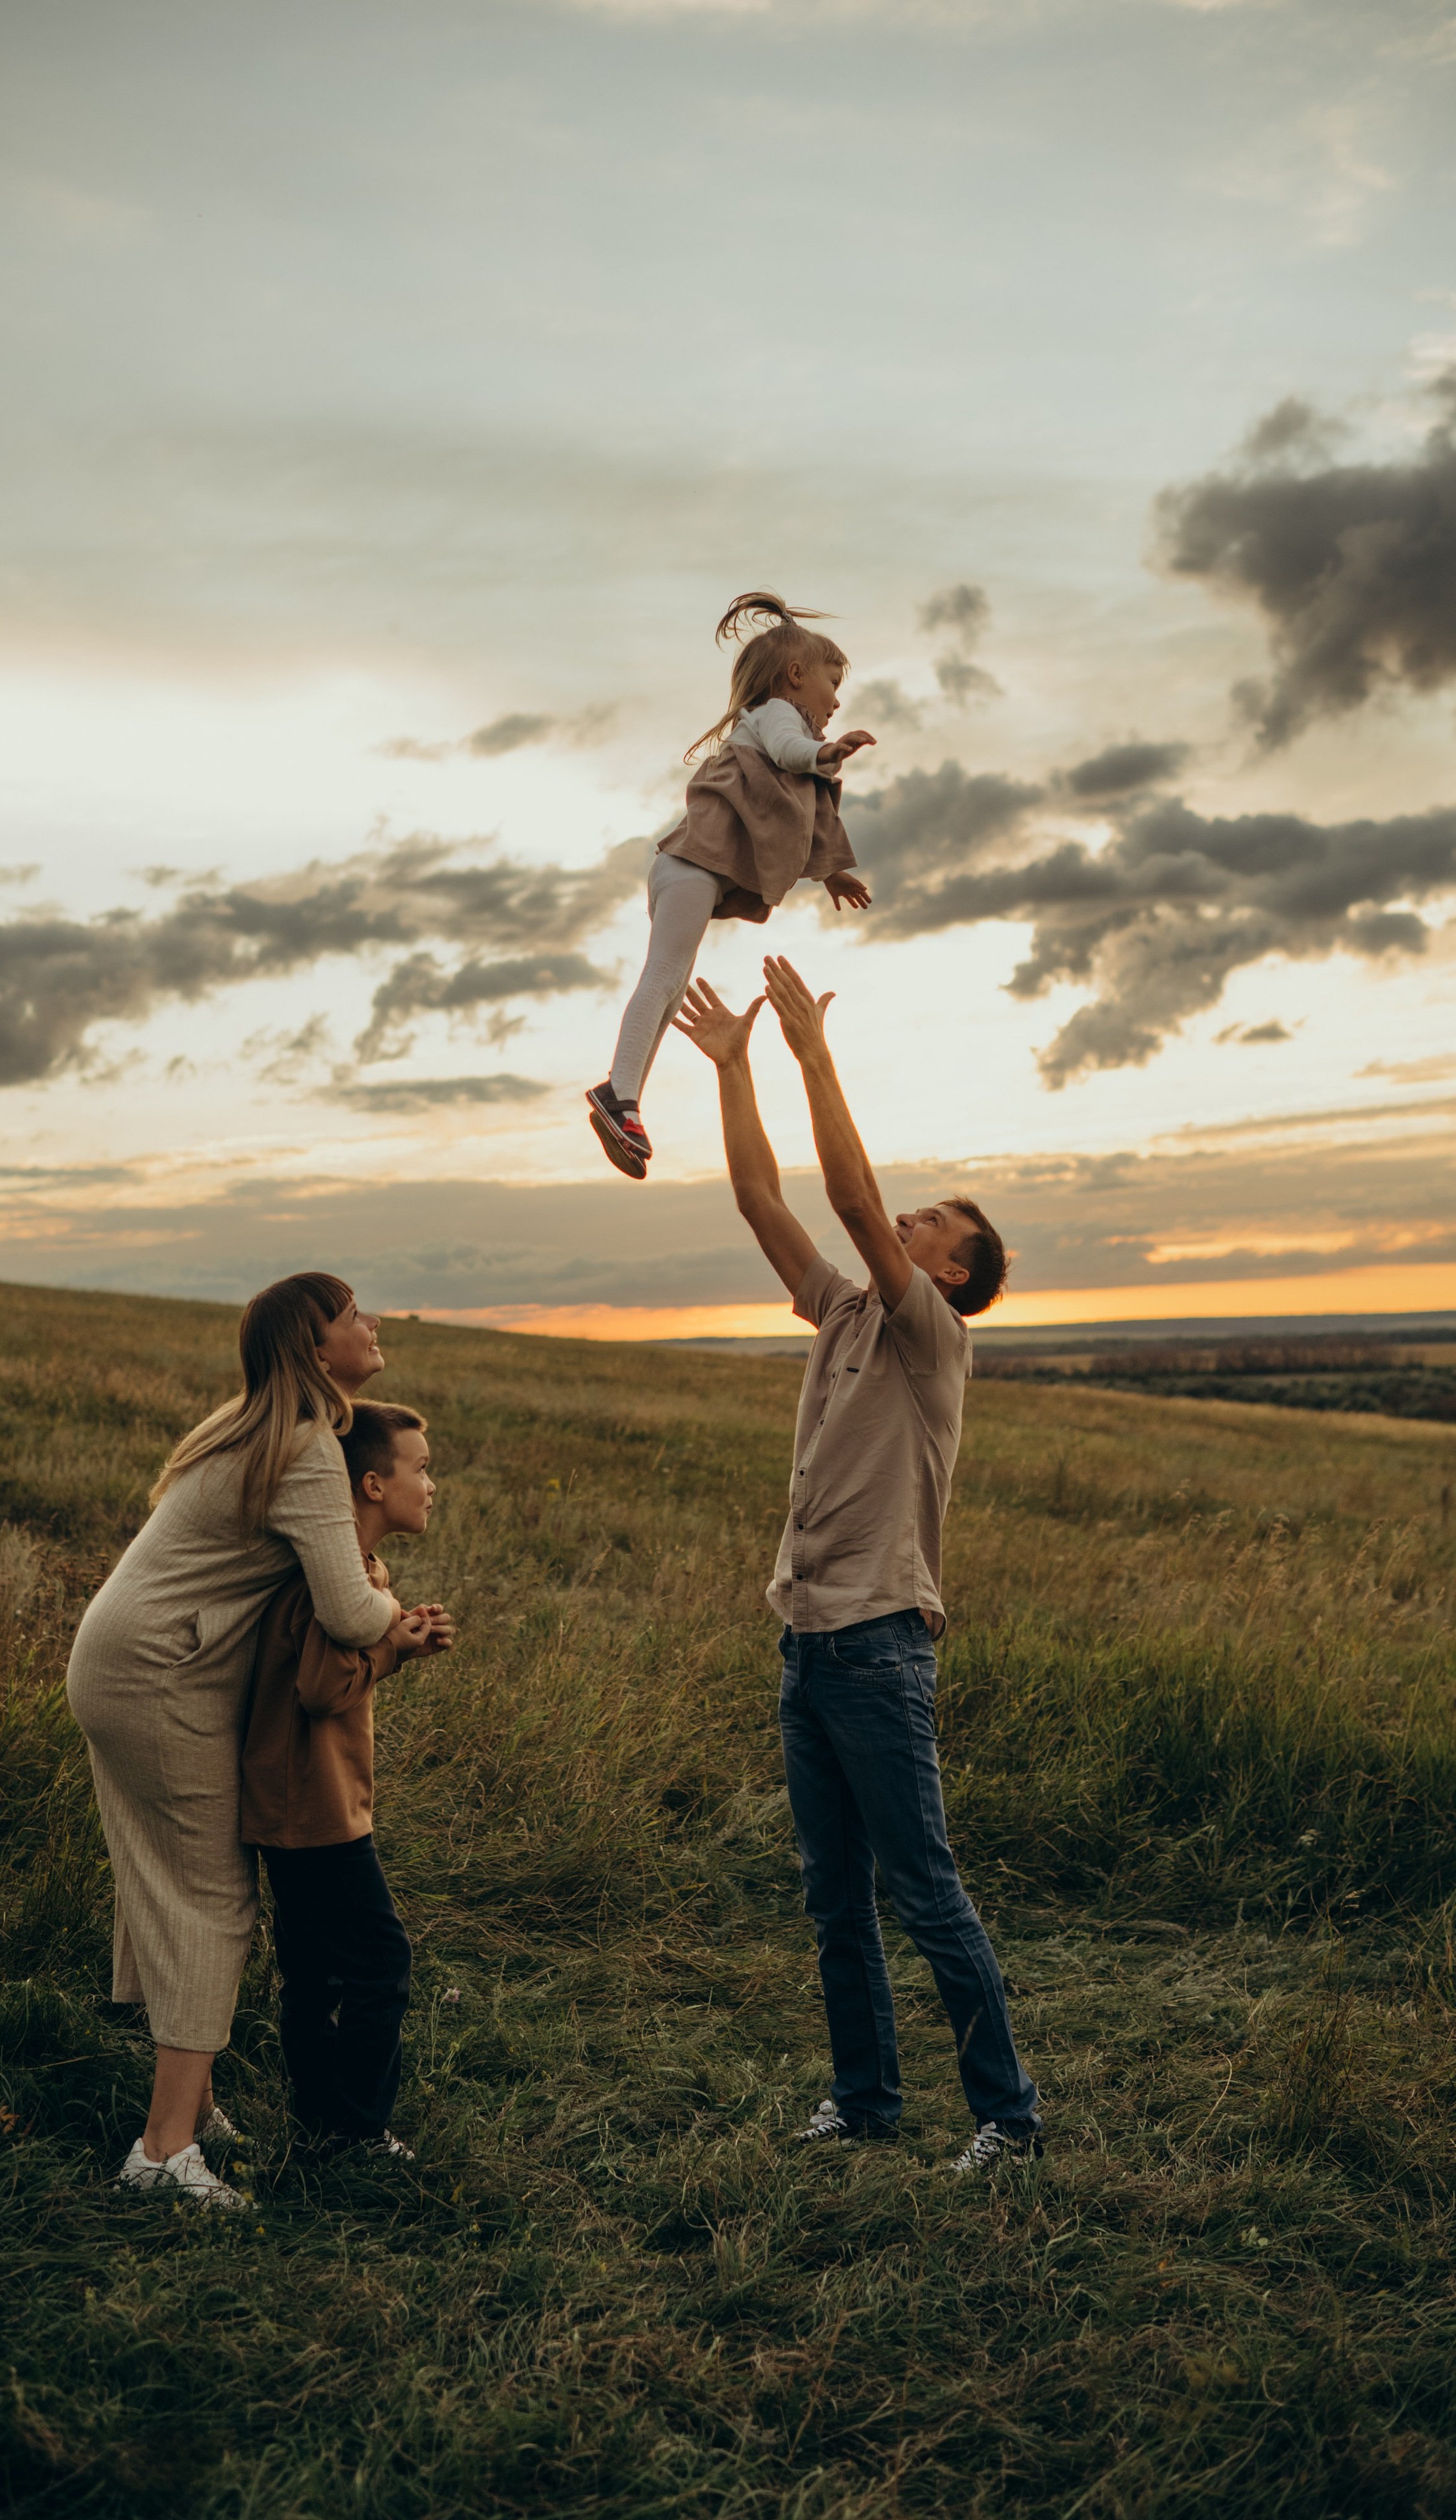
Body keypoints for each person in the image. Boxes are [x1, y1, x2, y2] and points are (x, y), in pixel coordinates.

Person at [673, 959, 1043, 2175]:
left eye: (935, 1222)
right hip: (808, 1639)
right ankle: (867, 2101)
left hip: (881, 1646)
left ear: (950, 1274)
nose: (914, 1220)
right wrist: (734, 1069)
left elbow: (842, 1190)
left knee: (924, 1891)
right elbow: (755, 1195)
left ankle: (1008, 2118)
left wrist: (811, 1055)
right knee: (837, 1901)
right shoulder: (841, 1313)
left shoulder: (930, 1333)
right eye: (922, 1210)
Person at [66, 1272, 399, 2210]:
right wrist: (399, 1615)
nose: (370, 1325)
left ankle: (193, 2106)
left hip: (121, 1660)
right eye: (351, 1317)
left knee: (164, 1881)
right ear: (314, 1346)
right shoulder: (300, 1448)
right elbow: (346, 1607)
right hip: (160, 1675)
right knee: (215, 1900)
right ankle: (163, 2154)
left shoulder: (251, 1425)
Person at [585, 591, 875, 1182]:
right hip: (691, 865)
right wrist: (826, 750)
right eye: (831, 681)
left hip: (695, 873)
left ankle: (626, 1099)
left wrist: (830, 871)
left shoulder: (787, 735)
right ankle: (618, 1094)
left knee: (670, 987)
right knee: (664, 977)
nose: (837, 699)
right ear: (795, 677)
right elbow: (793, 752)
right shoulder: (777, 717)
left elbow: (802, 812)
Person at [242, 1402, 453, 2160]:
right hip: (315, 1812)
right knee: (379, 1963)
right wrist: (393, 1650)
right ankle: (355, 2133)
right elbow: (322, 1690)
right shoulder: (333, 1582)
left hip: (301, 1801)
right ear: (371, 1484)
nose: (430, 1484)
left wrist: (400, 1638)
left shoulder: (356, 1577)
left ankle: (318, 2123)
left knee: (313, 1973)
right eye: (419, 1468)